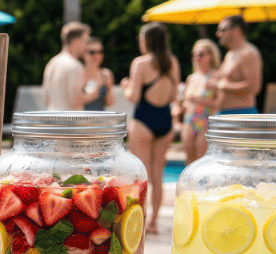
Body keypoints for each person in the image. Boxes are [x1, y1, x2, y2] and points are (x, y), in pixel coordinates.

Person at [123, 22, 180, 235]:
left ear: (146, 40)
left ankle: (140, 221)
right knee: (158, 174)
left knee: (141, 174)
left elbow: (134, 96)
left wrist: (127, 85)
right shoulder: (172, 62)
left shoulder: (140, 63)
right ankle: (154, 222)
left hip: (144, 119)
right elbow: (174, 97)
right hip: (165, 120)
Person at [179, 39, 222, 165]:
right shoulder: (191, 78)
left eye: (201, 54)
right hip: (189, 119)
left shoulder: (217, 76)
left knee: (202, 161)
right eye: (194, 54)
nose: (197, 57)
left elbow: (220, 103)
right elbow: (184, 101)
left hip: (206, 120)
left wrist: (198, 100)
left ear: (211, 55)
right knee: (189, 161)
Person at [211, 15, 262, 115]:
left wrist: (220, 85)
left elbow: (254, 88)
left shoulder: (248, 53)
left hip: (241, 115)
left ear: (237, 30)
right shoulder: (230, 54)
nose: (218, 34)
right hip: (224, 113)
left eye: (222, 30)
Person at [42, 22, 99, 111]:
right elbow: (75, 102)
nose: (86, 45)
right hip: (70, 122)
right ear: (75, 41)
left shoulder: (52, 63)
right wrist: (92, 93)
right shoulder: (75, 66)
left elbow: (46, 99)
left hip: (53, 119)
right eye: (85, 41)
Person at [82, 39, 115, 111]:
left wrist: (109, 97)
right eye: (92, 52)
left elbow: (110, 102)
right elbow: (70, 102)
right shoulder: (77, 73)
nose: (97, 55)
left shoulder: (106, 74)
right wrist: (89, 97)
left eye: (100, 52)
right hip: (81, 120)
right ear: (83, 53)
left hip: (100, 120)